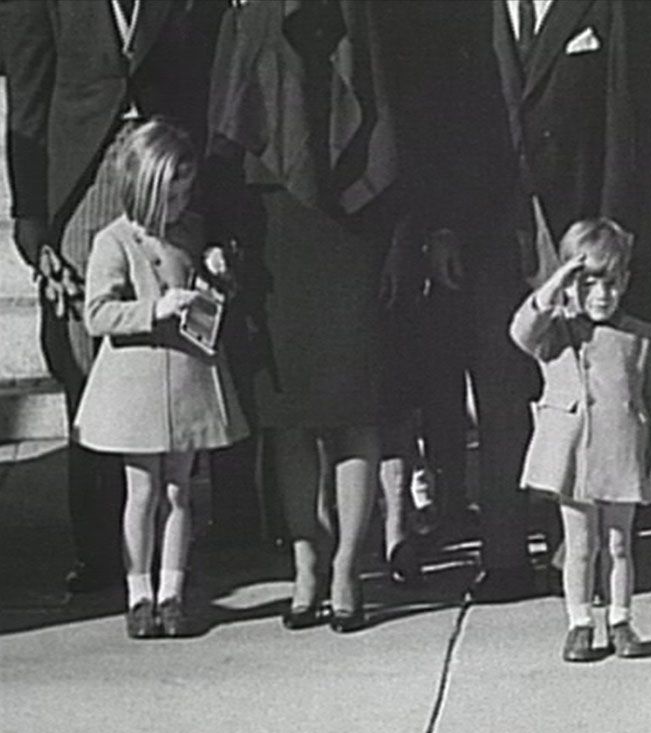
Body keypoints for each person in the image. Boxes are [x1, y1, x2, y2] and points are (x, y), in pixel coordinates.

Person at [2, 0, 227, 594]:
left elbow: (206, 74)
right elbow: (27, 93)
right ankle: (105, 550)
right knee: (88, 364)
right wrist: (30, 211)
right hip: (82, 180)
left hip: (170, 176)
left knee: (179, 359)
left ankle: (180, 549)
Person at [206, 0, 417, 633]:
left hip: (358, 225)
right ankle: (306, 561)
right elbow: (224, 121)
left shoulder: (371, 14)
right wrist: (219, 234)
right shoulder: (248, 13)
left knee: (355, 407)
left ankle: (350, 566)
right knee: (289, 415)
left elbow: (401, 119)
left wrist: (403, 240)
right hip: (275, 226)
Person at [429, 0, 643, 603]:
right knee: (499, 398)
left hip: (572, 228)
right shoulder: (464, 15)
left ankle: (576, 553)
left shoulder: (599, 10)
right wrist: (443, 226)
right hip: (490, 230)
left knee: (579, 394)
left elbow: (621, 115)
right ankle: (503, 558)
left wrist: (613, 230)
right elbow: (442, 120)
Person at [73, 119, 247, 639]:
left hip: (187, 379)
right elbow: (97, 314)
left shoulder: (191, 232)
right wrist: (154, 308)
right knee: (142, 491)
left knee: (180, 490)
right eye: (170, 195)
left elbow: (212, 295)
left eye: (185, 194)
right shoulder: (114, 241)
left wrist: (218, 272)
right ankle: (138, 592)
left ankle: (172, 591)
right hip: (137, 386)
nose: (178, 205)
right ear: (142, 189)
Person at [510, 219, 651, 662]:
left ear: (625, 281)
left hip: (623, 450)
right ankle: (580, 622)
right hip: (573, 456)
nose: (601, 294)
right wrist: (559, 282)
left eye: (610, 282)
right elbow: (521, 331)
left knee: (619, 543)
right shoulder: (557, 332)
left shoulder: (639, 335)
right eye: (589, 283)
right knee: (580, 546)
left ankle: (621, 618)